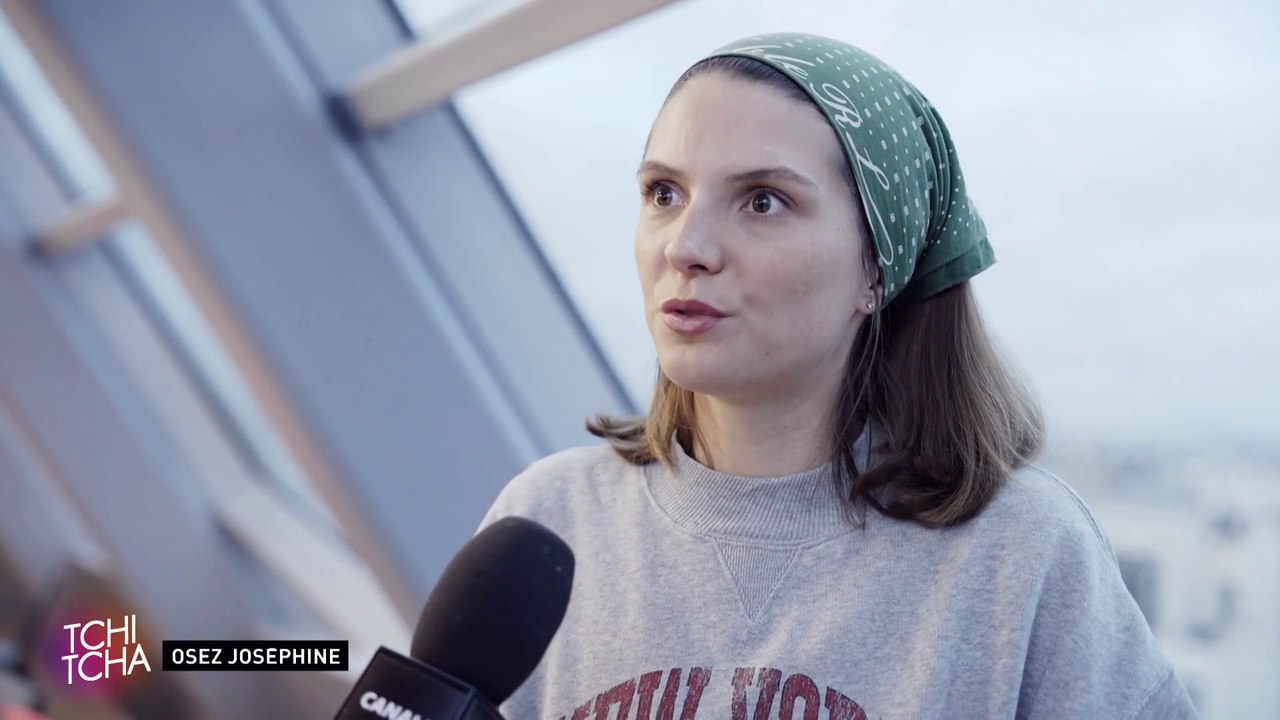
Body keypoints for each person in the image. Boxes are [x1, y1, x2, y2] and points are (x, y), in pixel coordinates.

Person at [478, 31, 1198, 719]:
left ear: (876, 270)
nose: (687, 246)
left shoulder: (1020, 555)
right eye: (664, 194)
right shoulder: (548, 523)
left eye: (763, 200)